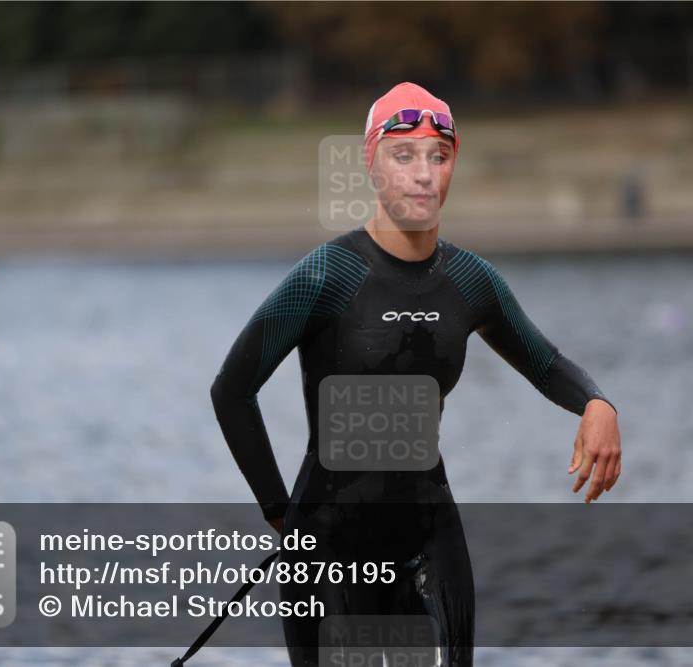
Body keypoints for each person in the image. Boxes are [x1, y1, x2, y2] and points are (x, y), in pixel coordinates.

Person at [209, 82, 622, 666]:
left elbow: (548, 363)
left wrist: (598, 405)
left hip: (431, 534)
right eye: (403, 154)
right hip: (328, 542)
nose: (423, 173)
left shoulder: (470, 281)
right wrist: (279, 513)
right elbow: (232, 391)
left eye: (440, 155)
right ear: (371, 163)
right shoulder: (325, 277)